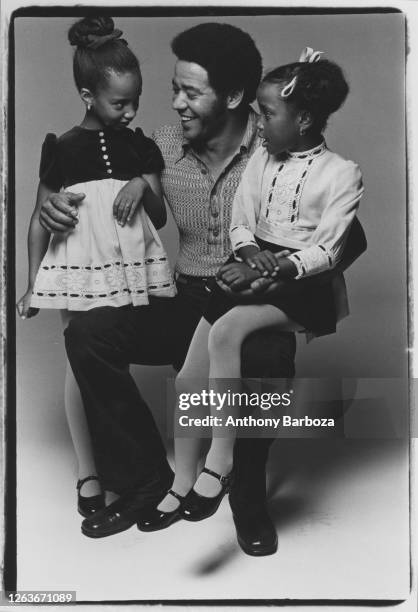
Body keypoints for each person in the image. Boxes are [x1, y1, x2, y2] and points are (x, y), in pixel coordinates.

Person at [39, 23, 366, 555]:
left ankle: (246, 496)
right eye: (174, 89)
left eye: (190, 93)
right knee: (89, 336)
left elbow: (348, 238)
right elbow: (78, 168)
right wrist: (51, 204)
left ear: (235, 97)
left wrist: (280, 270)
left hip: (255, 299)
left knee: (263, 355)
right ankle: (148, 479)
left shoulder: (278, 143)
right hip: (185, 297)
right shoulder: (159, 145)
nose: (176, 105)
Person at [137, 49, 364, 532]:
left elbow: (329, 250)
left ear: (303, 118)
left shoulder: (341, 173)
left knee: (229, 332)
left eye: (268, 114)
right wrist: (249, 252)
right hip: (252, 272)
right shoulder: (263, 157)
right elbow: (242, 222)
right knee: (187, 381)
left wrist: (278, 264)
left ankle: (220, 466)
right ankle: (182, 481)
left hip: (304, 290)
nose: (258, 124)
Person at [16, 16, 175, 519]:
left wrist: (140, 185)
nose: (129, 112)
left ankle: (132, 472)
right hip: (77, 268)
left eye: (135, 101)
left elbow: (160, 214)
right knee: (80, 363)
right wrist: (29, 282)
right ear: (88, 95)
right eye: (118, 103)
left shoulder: (139, 144)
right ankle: (90, 470)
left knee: (104, 359)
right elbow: (39, 221)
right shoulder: (62, 148)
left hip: (128, 267)